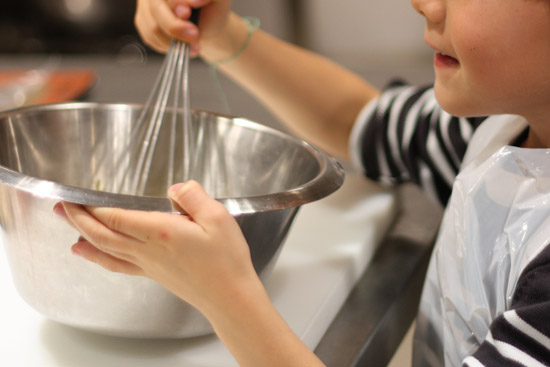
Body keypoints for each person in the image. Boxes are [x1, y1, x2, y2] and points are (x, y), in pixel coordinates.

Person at [53, 0, 550, 365]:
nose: (424, 5)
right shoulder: (500, 127)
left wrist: (226, 297)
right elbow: (359, 121)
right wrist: (221, 33)